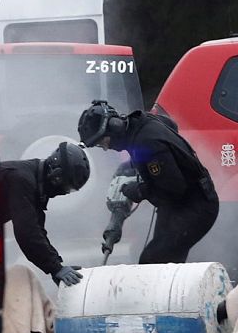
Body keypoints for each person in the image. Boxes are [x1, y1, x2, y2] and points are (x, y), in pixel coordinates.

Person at [77, 100, 218, 264]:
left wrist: (138, 190)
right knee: (162, 258)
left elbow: (174, 188)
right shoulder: (141, 123)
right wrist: (136, 168)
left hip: (195, 206)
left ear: (114, 128)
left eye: (103, 142)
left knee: (153, 261)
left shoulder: (148, 143)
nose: (106, 148)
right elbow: (170, 125)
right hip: (177, 204)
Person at [0, 142, 90, 287]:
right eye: (66, 188)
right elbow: (27, 232)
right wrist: (55, 268)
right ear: (56, 177)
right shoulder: (22, 180)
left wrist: (57, 265)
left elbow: (38, 228)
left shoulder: (35, 180)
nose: (64, 193)